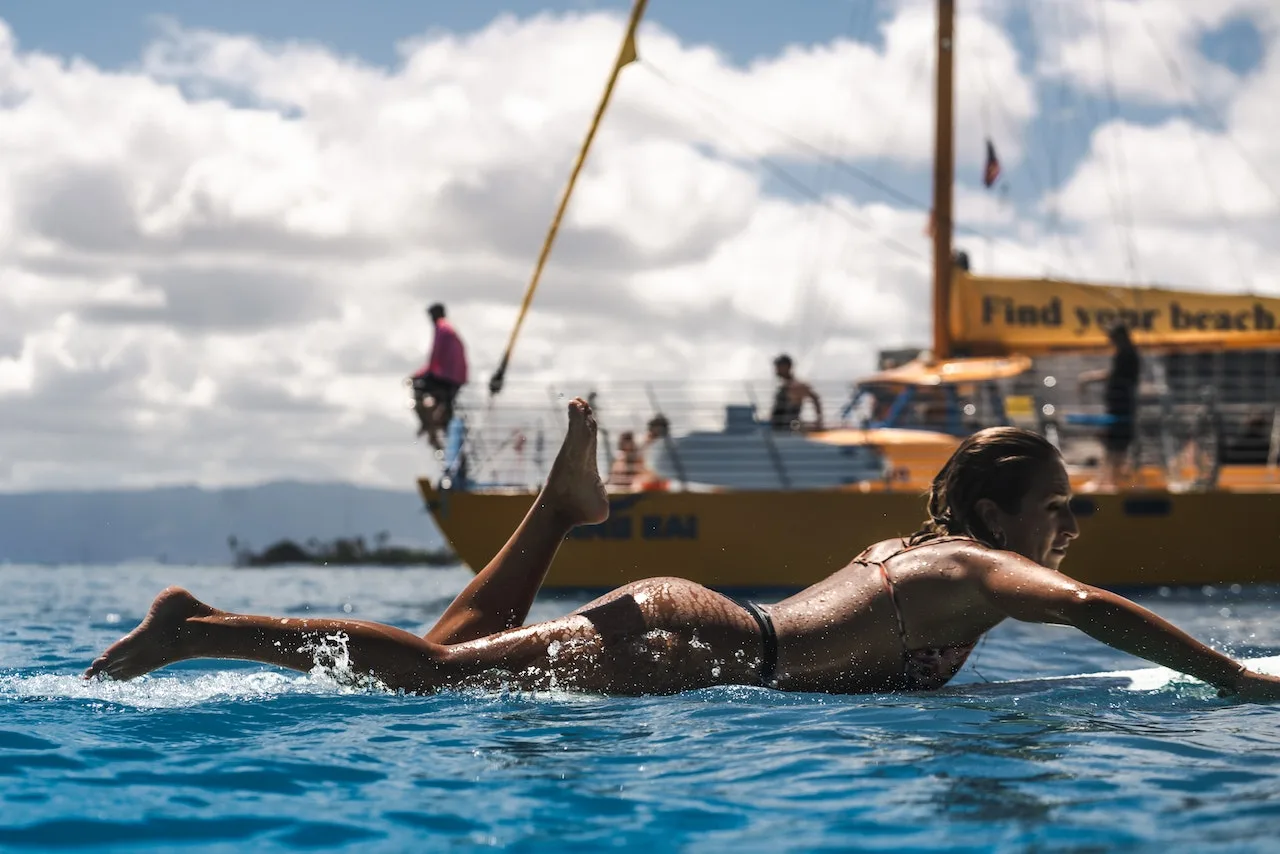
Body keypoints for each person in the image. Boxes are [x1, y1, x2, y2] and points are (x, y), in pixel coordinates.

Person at [85, 399, 1280, 702]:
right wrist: (1234, 677)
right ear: (1006, 514)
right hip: (688, 638)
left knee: (445, 654)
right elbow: (1085, 605)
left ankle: (556, 514)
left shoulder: (915, 551)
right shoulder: (974, 568)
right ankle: (195, 626)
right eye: (1058, 506)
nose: (1065, 528)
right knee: (441, 683)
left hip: (698, 632)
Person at [1079, 323, 1141, 490]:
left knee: (1115, 445)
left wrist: (1090, 378)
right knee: (1114, 445)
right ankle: (1110, 479)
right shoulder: (1127, 354)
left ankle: (1111, 481)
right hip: (1120, 406)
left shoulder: (1127, 354)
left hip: (1122, 406)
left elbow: (1116, 375)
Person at [410, 303, 468, 451]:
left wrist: (418, 375)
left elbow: (435, 358)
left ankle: (427, 422)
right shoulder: (449, 328)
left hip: (446, 376)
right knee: (445, 403)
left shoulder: (441, 329)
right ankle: (439, 420)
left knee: (416, 387)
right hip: (456, 377)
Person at [769, 354, 823, 432]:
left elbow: (815, 398)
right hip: (776, 427)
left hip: (787, 428)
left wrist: (818, 420)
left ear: (787, 367)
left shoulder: (796, 385)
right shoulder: (783, 386)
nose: (776, 370)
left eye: (778, 367)